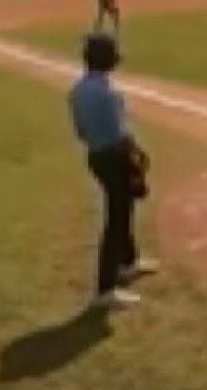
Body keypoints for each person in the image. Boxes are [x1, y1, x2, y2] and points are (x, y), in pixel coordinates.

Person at [68, 34, 158, 309]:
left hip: (95, 156)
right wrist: (137, 158)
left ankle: (128, 261)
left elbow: (82, 133)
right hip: (114, 158)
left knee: (122, 207)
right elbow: (121, 136)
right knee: (117, 218)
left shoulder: (78, 90)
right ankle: (106, 288)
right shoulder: (108, 95)